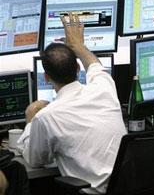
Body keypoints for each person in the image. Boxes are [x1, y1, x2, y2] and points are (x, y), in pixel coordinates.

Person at [17, 12, 127, 194]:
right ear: (77, 69)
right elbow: (95, 65)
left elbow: (34, 160)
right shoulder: (104, 88)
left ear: (46, 77)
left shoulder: (46, 117)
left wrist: (30, 120)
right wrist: (79, 46)